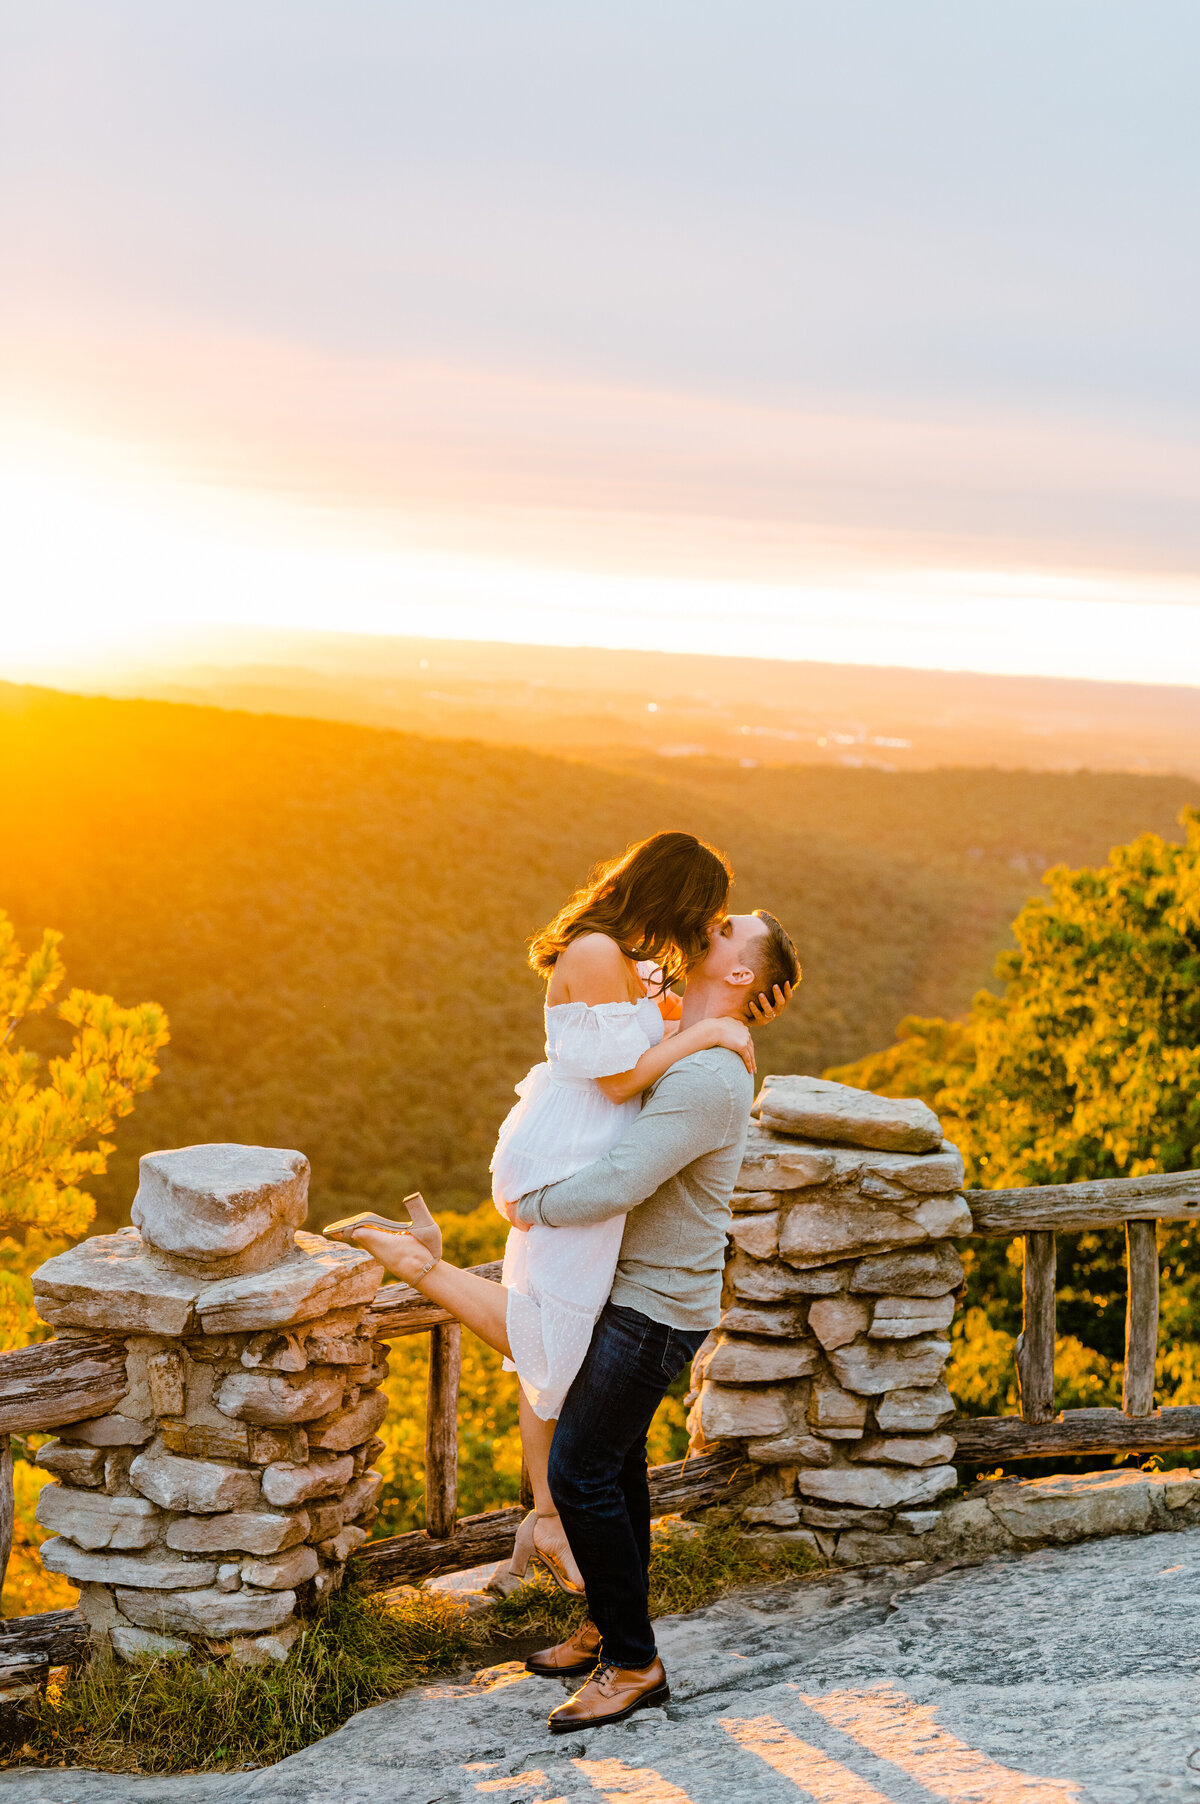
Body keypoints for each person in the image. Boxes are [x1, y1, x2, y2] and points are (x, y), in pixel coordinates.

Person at [347, 904, 800, 1732]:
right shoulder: (689, 1035)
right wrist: (714, 1017)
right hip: (626, 1288)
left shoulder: (708, 1078)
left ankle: (637, 1664)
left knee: (579, 1474)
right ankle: (605, 1627)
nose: (714, 920)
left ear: (740, 974)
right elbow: (625, 1018)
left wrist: (530, 1204)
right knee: (615, 1467)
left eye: (732, 927)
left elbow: (622, 1179)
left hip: (655, 1305)